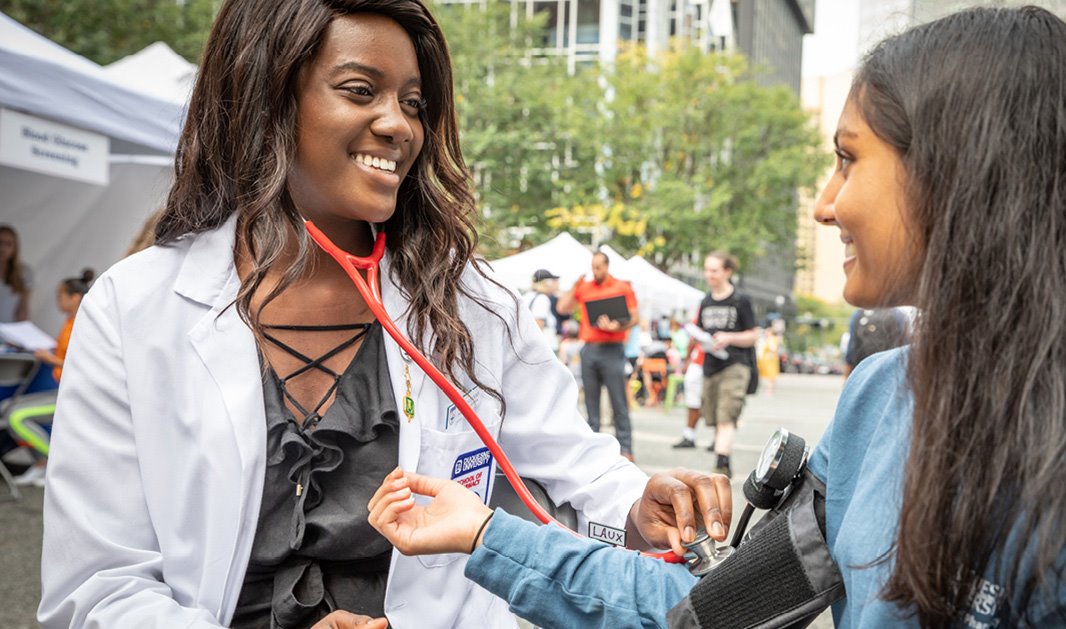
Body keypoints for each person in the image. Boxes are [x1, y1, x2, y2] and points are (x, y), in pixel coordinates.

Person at [364, 7, 1066, 627]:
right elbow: (715, 611)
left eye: (847, 159)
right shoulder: (880, 399)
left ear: (958, 173)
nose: (826, 205)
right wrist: (483, 536)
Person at [37, 2, 730, 627]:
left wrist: (640, 503)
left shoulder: (473, 304)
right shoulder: (134, 309)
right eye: (359, 91)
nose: (399, 125)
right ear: (268, 98)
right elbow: (97, 582)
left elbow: (574, 465)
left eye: (414, 102)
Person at [10, 269, 93, 488]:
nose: (58, 300)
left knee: (16, 417)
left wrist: (51, 358)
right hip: (61, 389)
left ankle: (56, 465)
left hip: (74, 393)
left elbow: (84, 365)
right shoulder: (69, 323)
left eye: (61, 295)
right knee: (11, 411)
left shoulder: (82, 324)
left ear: (75, 298)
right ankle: (42, 463)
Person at [556, 251, 640, 459]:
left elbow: (635, 317)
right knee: (590, 401)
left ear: (607, 265)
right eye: (593, 267)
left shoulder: (621, 286)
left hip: (612, 348)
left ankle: (626, 448)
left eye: (599, 267)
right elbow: (562, 307)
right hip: (590, 349)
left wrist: (617, 325)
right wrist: (575, 285)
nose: (596, 271)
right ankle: (592, 450)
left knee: (618, 400)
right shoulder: (585, 287)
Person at [695, 251, 759, 477]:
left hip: (736, 364)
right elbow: (701, 330)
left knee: (726, 416)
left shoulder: (740, 301)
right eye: (707, 269)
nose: (709, 274)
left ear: (727, 272)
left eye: (714, 270)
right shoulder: (705, 301)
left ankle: (722, 462)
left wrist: (729, 338)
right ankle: (721, 453)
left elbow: (753, 335)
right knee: (712, 416)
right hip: (711, 365)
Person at [842, 307, 909, 378]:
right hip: (889, 371)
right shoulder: (898, 314)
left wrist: (846, 377)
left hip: (862, 370)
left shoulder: (858, 315)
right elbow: (904, 346)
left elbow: (851, 349)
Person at [520, 268, 559, 350]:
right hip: (544, 349)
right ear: (547, 283)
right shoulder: (542, 298)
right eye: (552, 281)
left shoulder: (527, 296)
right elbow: (538, 326)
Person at [0, 225, 31, 323]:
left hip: (7, 332)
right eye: (0, 242)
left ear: (15, 249)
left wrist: (20, 332)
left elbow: (23, 308)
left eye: (8, 244)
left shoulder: (24, 272)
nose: (3, 248)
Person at [757, 325, 781, 396]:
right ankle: (770, 390)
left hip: (770, 360)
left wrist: (770, 355)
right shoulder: (774, 338)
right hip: (772, 360)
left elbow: (772, 348)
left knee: (770, 376)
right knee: (771, 376)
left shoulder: (771, 339)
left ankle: (770, 390)